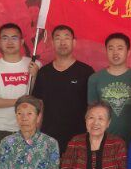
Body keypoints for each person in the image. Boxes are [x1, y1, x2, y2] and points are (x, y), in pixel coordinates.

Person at [0, 23, 38, 169]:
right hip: (2, 131)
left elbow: (42, 97)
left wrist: (36, 76)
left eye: (14, 38)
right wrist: (19, 102)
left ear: (22, 41)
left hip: (31, 130)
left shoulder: (35, 65)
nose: (10, 42)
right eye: (5, 38)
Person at [32, 25, 94, 156]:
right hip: (49, 139)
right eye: (58, 38)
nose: (62, 42)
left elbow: (92, 106)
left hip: (79, 138)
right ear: (52, 43)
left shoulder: (86, 72)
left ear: (74, 42)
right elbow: (39, 106)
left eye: (66, 38)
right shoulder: (44, 73)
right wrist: (36, 134)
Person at [88, 33, 131, 144]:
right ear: (106, 51)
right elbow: (92, 112)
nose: (115, 53)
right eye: (111, 48)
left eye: (120, 48)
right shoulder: (95, 79)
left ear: (128, 52)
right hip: (104, 141)